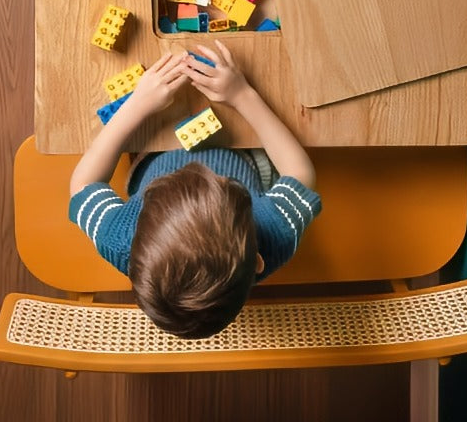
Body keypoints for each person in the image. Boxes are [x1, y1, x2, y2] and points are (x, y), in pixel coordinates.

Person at [69, 41, 321, 339]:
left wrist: (135, 106)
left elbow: (82, 185)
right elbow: (300, 173)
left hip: (153, 155)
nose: (197, 167)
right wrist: (243, 96)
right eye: (225, 184)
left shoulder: (124, 241)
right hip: (245, 157)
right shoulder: (274, 235)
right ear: (258, 261)